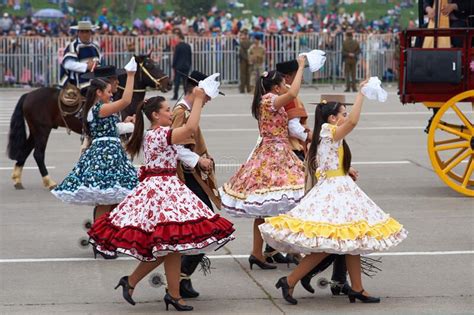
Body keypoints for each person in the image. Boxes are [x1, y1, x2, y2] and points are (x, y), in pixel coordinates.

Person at [259, 81, 408, 305]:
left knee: (351, 240)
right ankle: (290, 280)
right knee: (331, 244)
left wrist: (345, 169)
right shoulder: (329, 131)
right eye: (342, 114)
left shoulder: (327, 133)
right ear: (332, 118)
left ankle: (357, 288)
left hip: (339, 188)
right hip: (334, 193)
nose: (345, 117)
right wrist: (360, 94)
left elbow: (327, 162)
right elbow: (354, 122)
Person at [87, 92, 235, 311]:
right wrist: (198, 102)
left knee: (169, 247)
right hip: (162, 191)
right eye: (166, 110)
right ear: (155, 115)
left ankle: (152, 288)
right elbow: (190, 129)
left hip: (163, 187)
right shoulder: (160, 134)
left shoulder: (156, 134)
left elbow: (180, 151)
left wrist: (199, 161)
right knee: (168, 245)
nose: (170, 112)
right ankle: (159, 290)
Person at [219, 56, 307, 270]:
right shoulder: (270, 100)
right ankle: (287, 250)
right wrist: (302, 66)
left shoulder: (264, 99)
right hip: (275, 154)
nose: (286, 86)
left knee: (268, 208)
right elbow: (293, 93)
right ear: (276, 87)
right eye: (283, 84)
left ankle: (260, 253)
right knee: (288, 201)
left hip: (271, 152)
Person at [52, 58, 138, 246]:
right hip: (105, 155)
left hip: (111, 153)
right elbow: (127, 100)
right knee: (106, 200)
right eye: (108, 92)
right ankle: (101, 240)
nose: (111, 94)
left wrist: (130, 125)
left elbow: (114, 129)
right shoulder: (99, 108)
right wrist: (130, 75)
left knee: (110, 199)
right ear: (99, 93)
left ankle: (104, 238)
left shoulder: (101, 108)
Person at [171, 70, 222, 299]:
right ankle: (181, 274)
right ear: (196, 91)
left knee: (200, 228)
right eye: (207, 97)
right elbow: (176, 146)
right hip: (185, 177)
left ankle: (184, 276)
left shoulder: (188, 110)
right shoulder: (181, 112)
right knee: (205, 227)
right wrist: (198, 160)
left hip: (193, 175)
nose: (209, 101)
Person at [59, 21, 101, 93]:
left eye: (87, 32)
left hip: (93, 80)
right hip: (76, 82)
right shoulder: (73, 46)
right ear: (78, 33)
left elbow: (99, 62)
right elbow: (68, 64)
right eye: (82, 32)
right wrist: (86, 66)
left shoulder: (95, 47)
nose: (84, 34)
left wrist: (95, 65)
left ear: (90, 33)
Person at [172, 30, 192, 100]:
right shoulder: (188, 46)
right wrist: (189, 65)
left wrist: (173, 66)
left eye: (176, 38)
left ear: (179, 38)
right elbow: (190, 57)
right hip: (186, 66)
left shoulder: (178, 46)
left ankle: (175, 96)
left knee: (177, 82)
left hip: (178, 67)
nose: (175, 39)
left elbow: (175, 57)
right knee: (185, 82)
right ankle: (187, 96)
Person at [238, 29, 252, 94]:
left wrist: (246, 58)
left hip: (243, 60)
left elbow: (241, 52)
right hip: (249, 60)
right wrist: (249, 59)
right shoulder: (251, 42)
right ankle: (248, 89)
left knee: (243, 75)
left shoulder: (241, 42)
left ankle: (242, 89)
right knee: (248, 75)